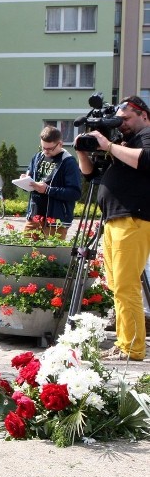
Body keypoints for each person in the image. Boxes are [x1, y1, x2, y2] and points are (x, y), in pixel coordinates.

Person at [76, 95, 150, 362]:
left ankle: (132, 348)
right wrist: (82, 151)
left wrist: (108, 145)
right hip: (114, 220)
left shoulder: (146, 136)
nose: (123, 124)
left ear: (144, 116)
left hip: (134, 218)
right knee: (117, 285)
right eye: (119, 119)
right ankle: (123, 343)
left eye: (127, 118)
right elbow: (90, 175)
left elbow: (146, 159)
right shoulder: (122, 143)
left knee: (126, 285)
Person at [20, 126, 82, 239]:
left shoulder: (69, 162)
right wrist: (25, 181)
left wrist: (48, 190)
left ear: (60, 144)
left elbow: (75, 193)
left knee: (52, 256)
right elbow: (30, 183)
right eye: (43, 147)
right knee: (25, 253)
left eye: (49, 149)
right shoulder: (37, 157)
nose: (45, 151)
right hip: (34, 217)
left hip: (56, 221)